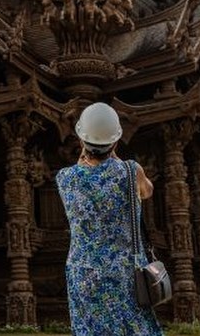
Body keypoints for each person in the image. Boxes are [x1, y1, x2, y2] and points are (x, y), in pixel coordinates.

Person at [55, 102, 162, 336]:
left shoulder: (65, 178)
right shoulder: (131, 171)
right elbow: (148, 192)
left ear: (82, 140)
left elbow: (82, 176)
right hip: (125, 270)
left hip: (83, 270)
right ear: (115, 141)